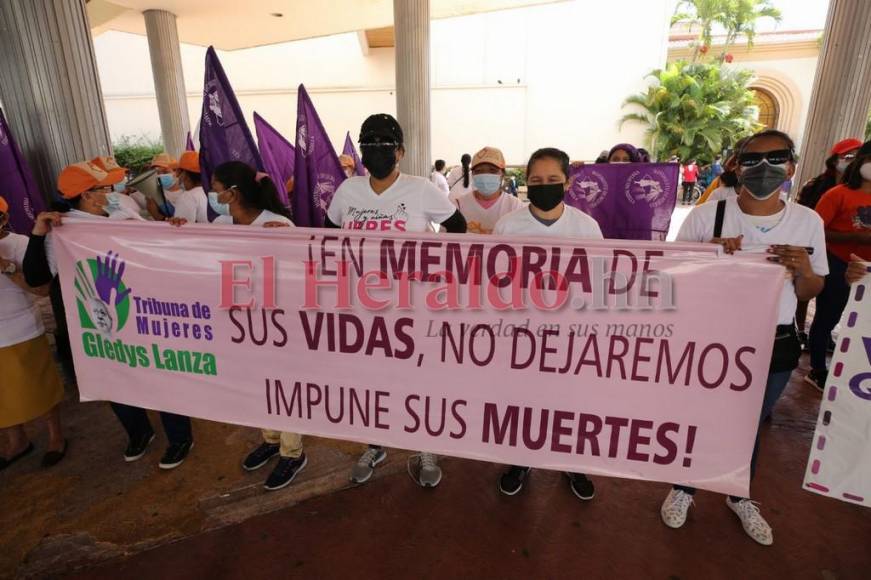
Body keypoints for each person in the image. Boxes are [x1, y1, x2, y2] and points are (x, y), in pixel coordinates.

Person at [661, 129, 827, 546]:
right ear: (736, 166)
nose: (764, 168)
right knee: (704, 417)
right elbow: (673, 277)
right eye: (753, 159)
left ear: (791, 165)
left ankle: (739, 493)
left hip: (777, 340)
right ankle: (685, 487)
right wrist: (710, 258)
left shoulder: (807, 222)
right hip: (715, 338)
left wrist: (803, 270)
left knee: (750, 422)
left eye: (776, 158)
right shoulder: (706, 217)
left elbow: (812, 290)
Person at [23, 161, 195, 470]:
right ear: (88, 197)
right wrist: (37, 234)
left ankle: (179, 437)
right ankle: (139, 432)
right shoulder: (62, 231)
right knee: (115, 377)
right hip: (100, 320)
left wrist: (172, 229)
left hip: (142, 313)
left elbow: (154, 246)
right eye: (105, 189)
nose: (112, 192)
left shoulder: (120, 218)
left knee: (160, 372)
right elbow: (36, 279)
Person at [325, 113, 466, 487]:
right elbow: (327, 234)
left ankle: (424, 448)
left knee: (417, 378)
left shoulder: (420, 189)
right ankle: (376, 444)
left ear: (400, 151)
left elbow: (459, 226)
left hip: (411, 308)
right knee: (370, 381)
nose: (375, 150)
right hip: (361, 308)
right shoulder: (348, 191)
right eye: (367, 143)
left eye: (384, 144)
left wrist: (434, 270)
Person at [170, 160, 305, 491]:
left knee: (282, 388)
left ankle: (293, 452)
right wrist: (176, 228)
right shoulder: (223, 225)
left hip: (279, 325)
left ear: (232, 193)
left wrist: (292, 242)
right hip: (242, 323)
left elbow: (302, 274)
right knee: (257, 386)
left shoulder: (277, 224)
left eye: (215, 187)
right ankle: (271, 439)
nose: (211, 193)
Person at [493, 147, 602, 501]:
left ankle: (572, 462)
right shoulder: (508, 226)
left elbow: (598, 282)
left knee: (568, 402)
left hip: (570, 334)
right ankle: (521, 460)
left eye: (552, 180)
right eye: (536, 181)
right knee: (524, 401)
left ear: (567, 182)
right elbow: (495, 282)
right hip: (521, 334)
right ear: (526, 184)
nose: (544, 186)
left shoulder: (587, 227)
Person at [0, 196, 67, 470]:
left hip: (21, 328)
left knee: (39, 387)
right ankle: (17, 441)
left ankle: (56, 437)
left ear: (4, 219)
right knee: (3, 395)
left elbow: (41, 289)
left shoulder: (19, 244)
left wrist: (5, 266)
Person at [805, 140, 871, 391]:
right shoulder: (837, 195)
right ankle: (818, 369)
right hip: (838, 263)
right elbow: (816, 231)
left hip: (868, 272)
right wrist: (856, 238)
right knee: (827, 318)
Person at [793, 138, 862, 347]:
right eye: (848, 156)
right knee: (805, 292)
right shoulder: (820, 187)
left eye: (856, 157)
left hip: (851, 261)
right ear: (835, 160)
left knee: (835, 305)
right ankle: (801, 329)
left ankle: (820, 337)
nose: (852, 161)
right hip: (820, 250)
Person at [455, 146, 522, 234]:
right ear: (473, 174)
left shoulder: (515, 206)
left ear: (502, 174)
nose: (485, 175)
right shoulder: (458, 206)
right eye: (479, 171)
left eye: (492, 170)